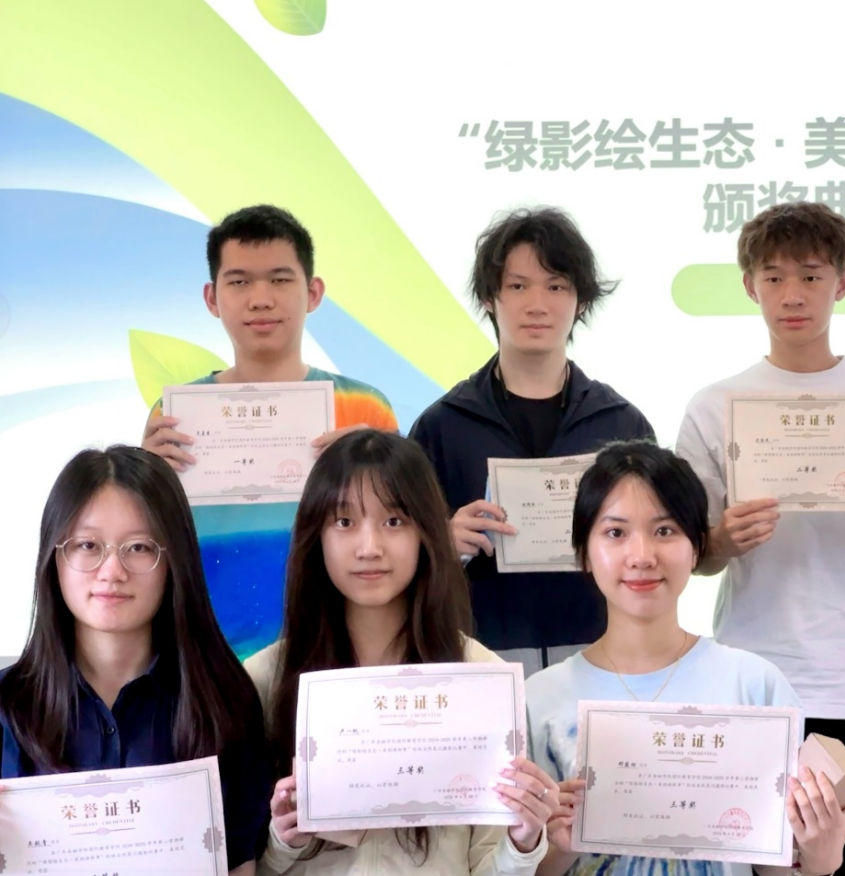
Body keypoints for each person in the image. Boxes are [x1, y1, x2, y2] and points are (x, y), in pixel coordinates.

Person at [674, 201, 845, 875]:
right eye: (773, 277)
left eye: (810, 275)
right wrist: (722, 540)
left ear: (842, 283)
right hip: (755, 682)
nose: (792, 295)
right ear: (749, 287)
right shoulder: (713, 405)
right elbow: (694, 558)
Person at [527, 441, 845, 876]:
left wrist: (820, 859)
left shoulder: (754, 685)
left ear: (697, 547)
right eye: (616, 533)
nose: (642, 556)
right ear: (584, 552)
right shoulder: (539, 699)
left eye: (665, 531)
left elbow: (771, 868)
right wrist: (560, 847)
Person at [244, 429, 556, 874]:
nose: (369, 548)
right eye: (344, 522)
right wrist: (282, 843)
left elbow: (487, 865)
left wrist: (522, 844)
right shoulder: (263, 681)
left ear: (426, 532)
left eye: (393, 521)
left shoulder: (480, 676)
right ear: (316, 536)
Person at [0, 446, 271, 874]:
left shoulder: (225, 702)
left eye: (140, 547)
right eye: (88, 545)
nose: (112, 570)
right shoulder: (7, 704)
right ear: (54, 557)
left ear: (174, 560)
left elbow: (240, 861)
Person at [140, 205, 397, 657]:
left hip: (336, 652)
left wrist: (367, 469)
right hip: (209, 656)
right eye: (239, 282)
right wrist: (143, 482)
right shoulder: (174, 416)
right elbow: (150, 544)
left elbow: (401, 537)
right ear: (212, 298)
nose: (260, 299)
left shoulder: (366, 408)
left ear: (313, 292)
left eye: (280, 279)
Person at [410, 208, 654, 675]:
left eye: (556, 287)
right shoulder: (441, 426)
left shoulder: (623, 425)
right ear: (489, 298)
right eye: (518, 286)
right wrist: (442, 543)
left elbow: (655, 544)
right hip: (478, 657)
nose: (537, 304)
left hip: (602, 657)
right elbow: (403, 556)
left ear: (580, 301)